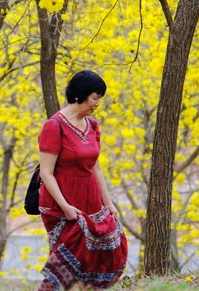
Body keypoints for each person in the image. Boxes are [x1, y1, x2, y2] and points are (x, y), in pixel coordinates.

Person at [37, 70, 128, 290]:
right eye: (95, 97)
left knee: (106, 248)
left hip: (91, 199)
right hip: (61, 202)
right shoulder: (54, 126)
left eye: (99, 98)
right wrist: (66, 206)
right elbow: (46, 173)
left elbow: (96, 167)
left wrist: (108, 203)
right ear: (80, 95)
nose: (97, 103)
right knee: (67, 262)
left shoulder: (92, 125)